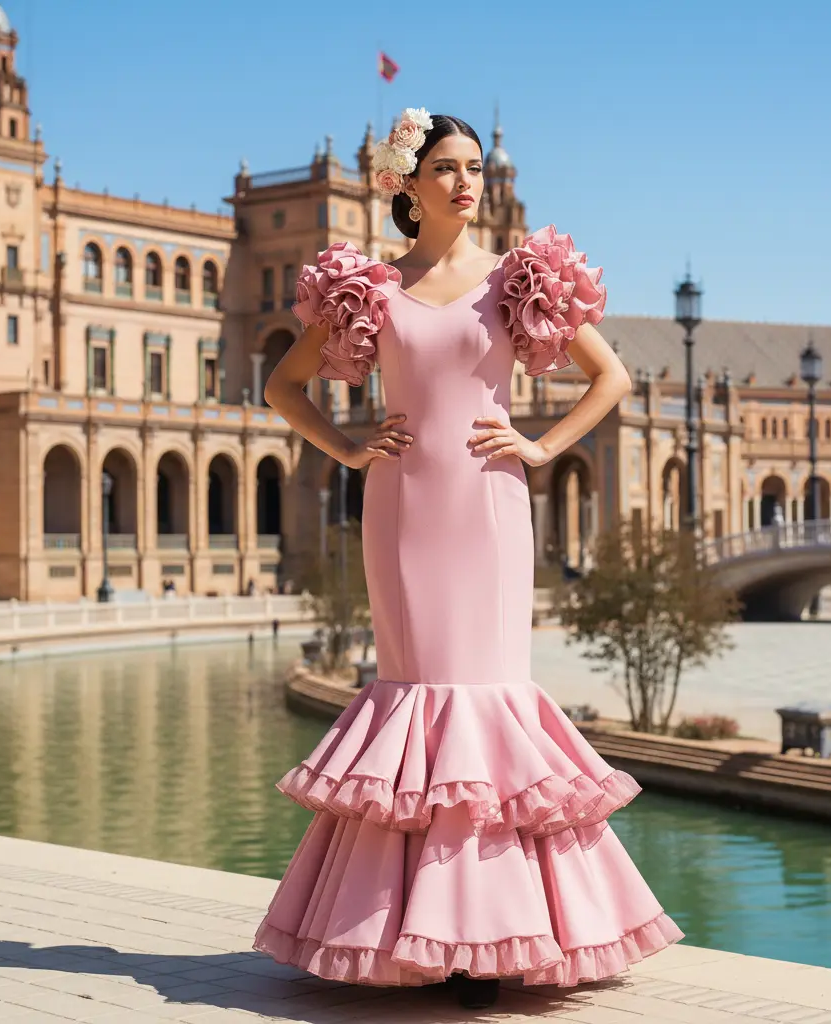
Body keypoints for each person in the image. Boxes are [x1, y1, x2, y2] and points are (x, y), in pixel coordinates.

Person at [253, 108, 682, 1010]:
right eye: (446, 167)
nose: (466, 182)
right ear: (406, 184)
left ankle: (489, 940)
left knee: (485, 708)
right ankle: (417, 934)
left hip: (490, 509)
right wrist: (345, 448)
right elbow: (283, 387)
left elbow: (613, 378)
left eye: (474, 166)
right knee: (418, 703)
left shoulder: (519, 280)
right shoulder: (366, 287)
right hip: (402, 509)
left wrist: (539, 445)